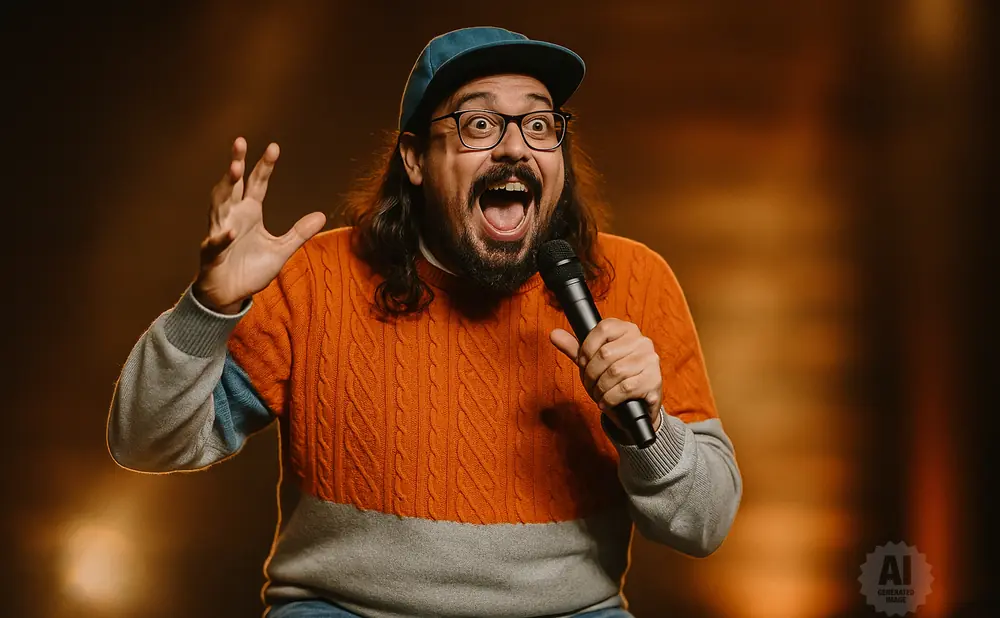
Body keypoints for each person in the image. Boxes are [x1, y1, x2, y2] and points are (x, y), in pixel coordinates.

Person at [107, 26, 742, 618]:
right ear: (414, 158)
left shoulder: (635, 282)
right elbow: (145, 443)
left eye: (539, 124)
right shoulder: (314, 281)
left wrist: (646, 426)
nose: (515, 146)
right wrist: (209, 307)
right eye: (479, 124)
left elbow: (704, 525)